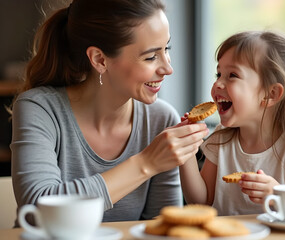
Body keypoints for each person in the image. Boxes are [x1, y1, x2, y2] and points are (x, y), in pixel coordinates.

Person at [10, 0, 209, 226]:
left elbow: (162, 226)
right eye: (151, 57)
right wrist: (146, 163)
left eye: (167, 49)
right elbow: (38, 210)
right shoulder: (40, 108)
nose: (168, 68)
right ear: (99, 59)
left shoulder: (162, 120)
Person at [179, 30, 285, 216]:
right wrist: (186, 152)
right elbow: (201, 202)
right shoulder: (221, 139)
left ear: (271, 94)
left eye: (232, 75)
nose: (218, 84)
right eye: (218, 74)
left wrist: (279, 196)